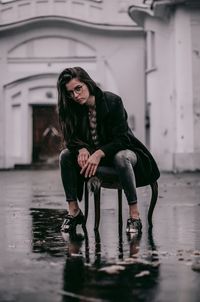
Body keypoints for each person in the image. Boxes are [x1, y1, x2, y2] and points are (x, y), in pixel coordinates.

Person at [57, 66, 160, 235]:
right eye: (70, 93)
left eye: (78, 88)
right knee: (65, 155)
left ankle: (134, 215)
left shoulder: (112, 101)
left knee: (121, 157)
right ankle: (74, 211)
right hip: (98, 161)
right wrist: (81, 148)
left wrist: (98, 153)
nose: (75, 95)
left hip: (126, 152)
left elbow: (122, 139)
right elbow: (70, 139)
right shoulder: (72, 109)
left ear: (87, 83)